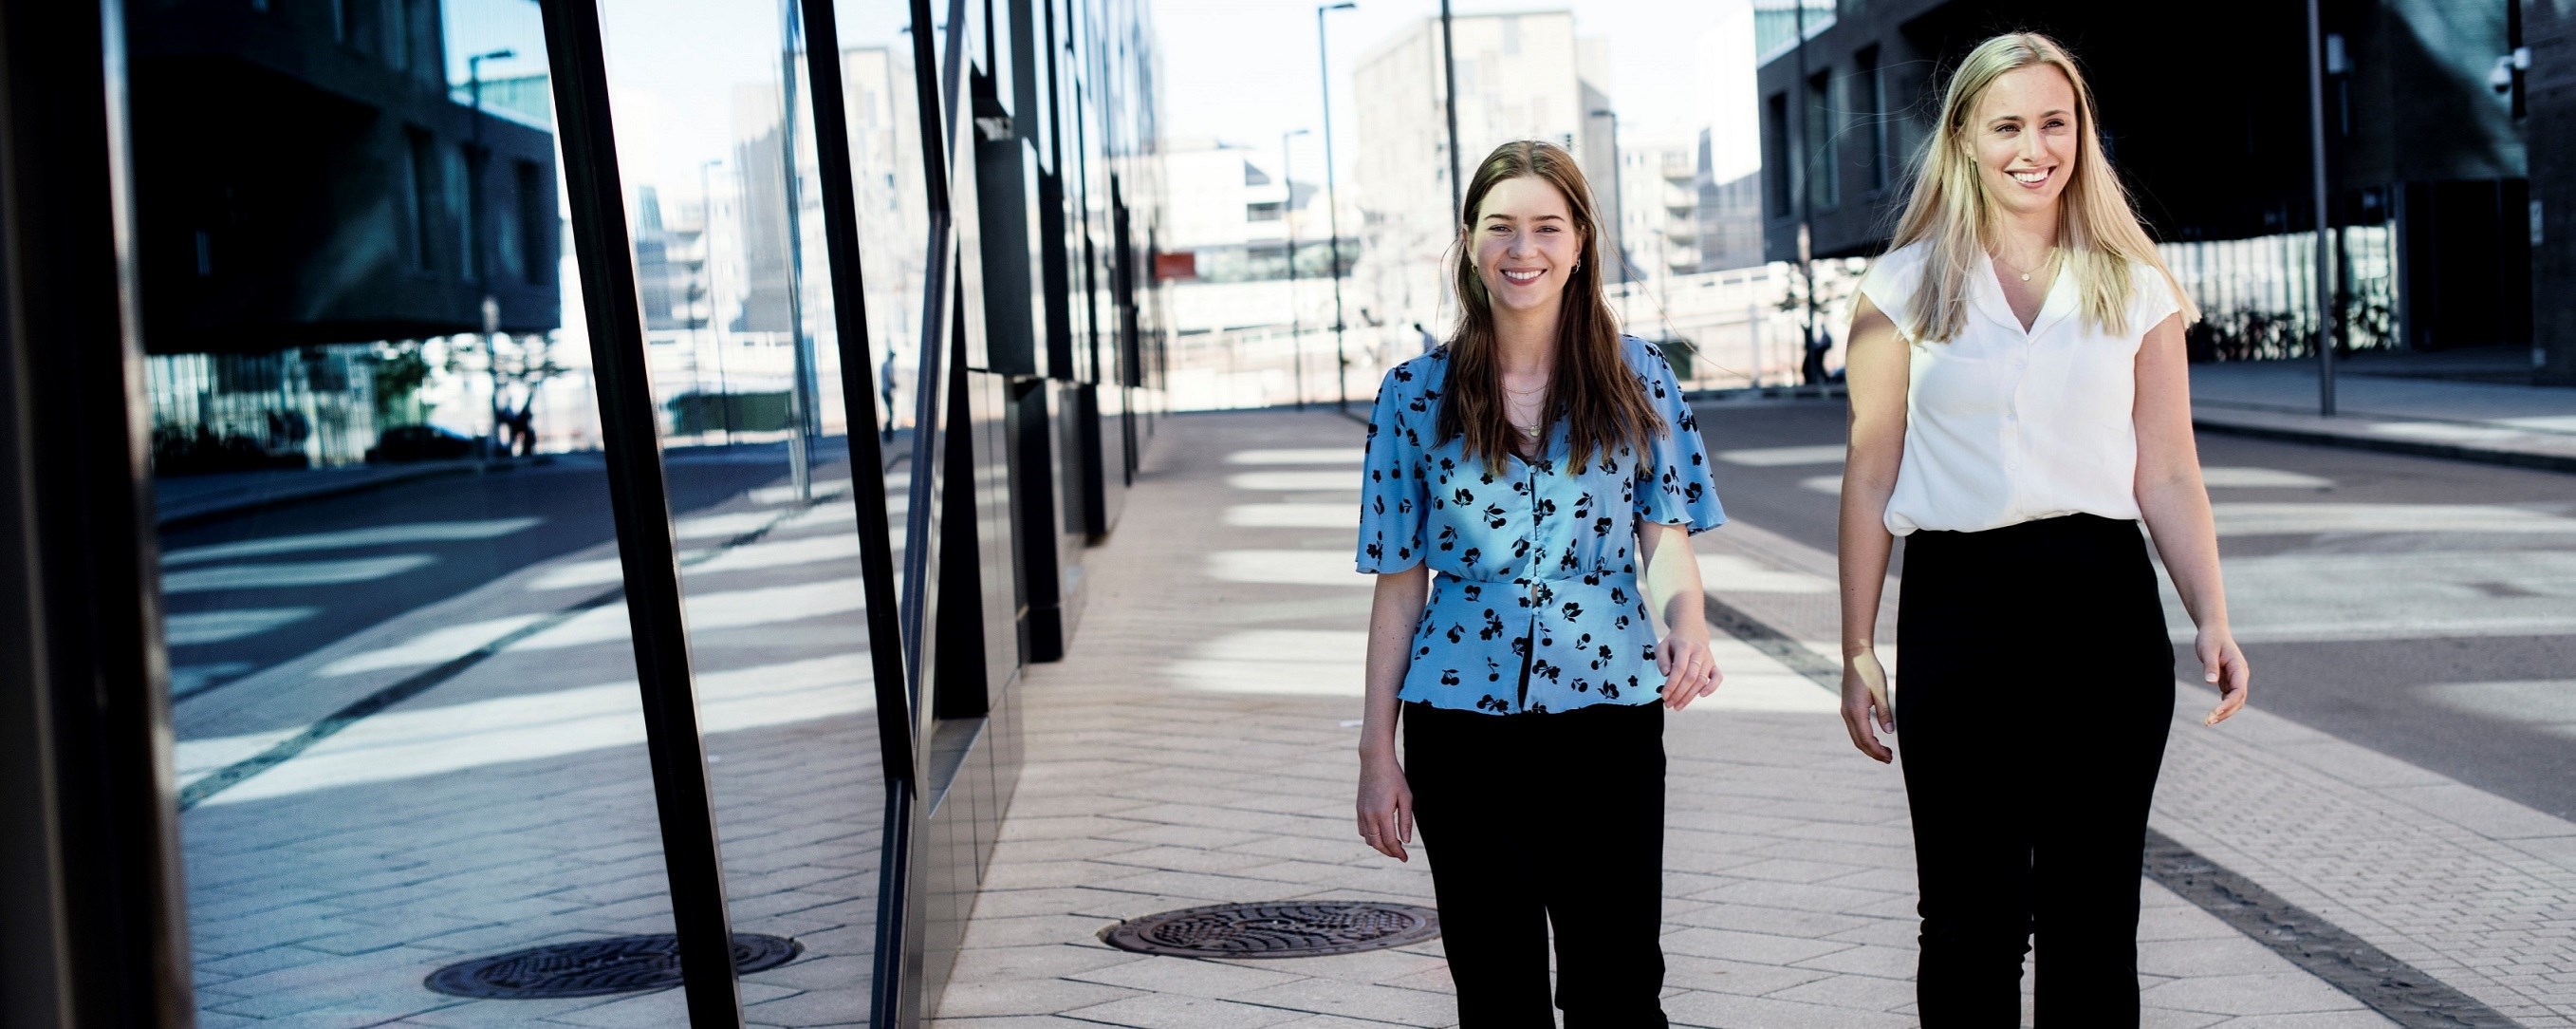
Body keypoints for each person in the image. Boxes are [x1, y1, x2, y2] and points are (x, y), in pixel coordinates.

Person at [1835, 33, 2251, 1025]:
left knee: (2094, 921)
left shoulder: (2135, 284)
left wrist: (2215, 617)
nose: (2035, 146)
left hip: (2103, 606)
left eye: (2054, 122)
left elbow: (2169, 469)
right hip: (1958, 612)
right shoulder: (1899, 289)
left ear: (2082, 134)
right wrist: (1854, 645)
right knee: (1971, 920)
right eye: (2009, 124)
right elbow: (1868, 476)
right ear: (1967, 139)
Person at [1352, 140, 1727, 1027]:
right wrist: (1377, 751)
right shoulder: (1412, 395)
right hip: (1459, 730)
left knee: (1618, 983)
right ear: (1469, 243)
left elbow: (1665, 537)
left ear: (1581, 241)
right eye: (1501, 228)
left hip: (1606, 719)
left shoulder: (1639, 377)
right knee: (1495, 989)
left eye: (1545, 227)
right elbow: (1399, 586)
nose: (1524, 250)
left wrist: (1690, 620)